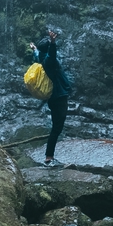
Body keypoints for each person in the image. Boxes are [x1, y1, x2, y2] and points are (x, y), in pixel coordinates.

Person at [32, 27, 72, 163]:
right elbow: (52, 54)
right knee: (57, 128)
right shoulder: (50, 61)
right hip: (59, 97)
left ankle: (49, 155)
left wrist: (34, 48)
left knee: (56, 126)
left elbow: (37, 53)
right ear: (48, 49)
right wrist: (53, 42)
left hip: (53, 98)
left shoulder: (40, 57)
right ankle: (49, 157)